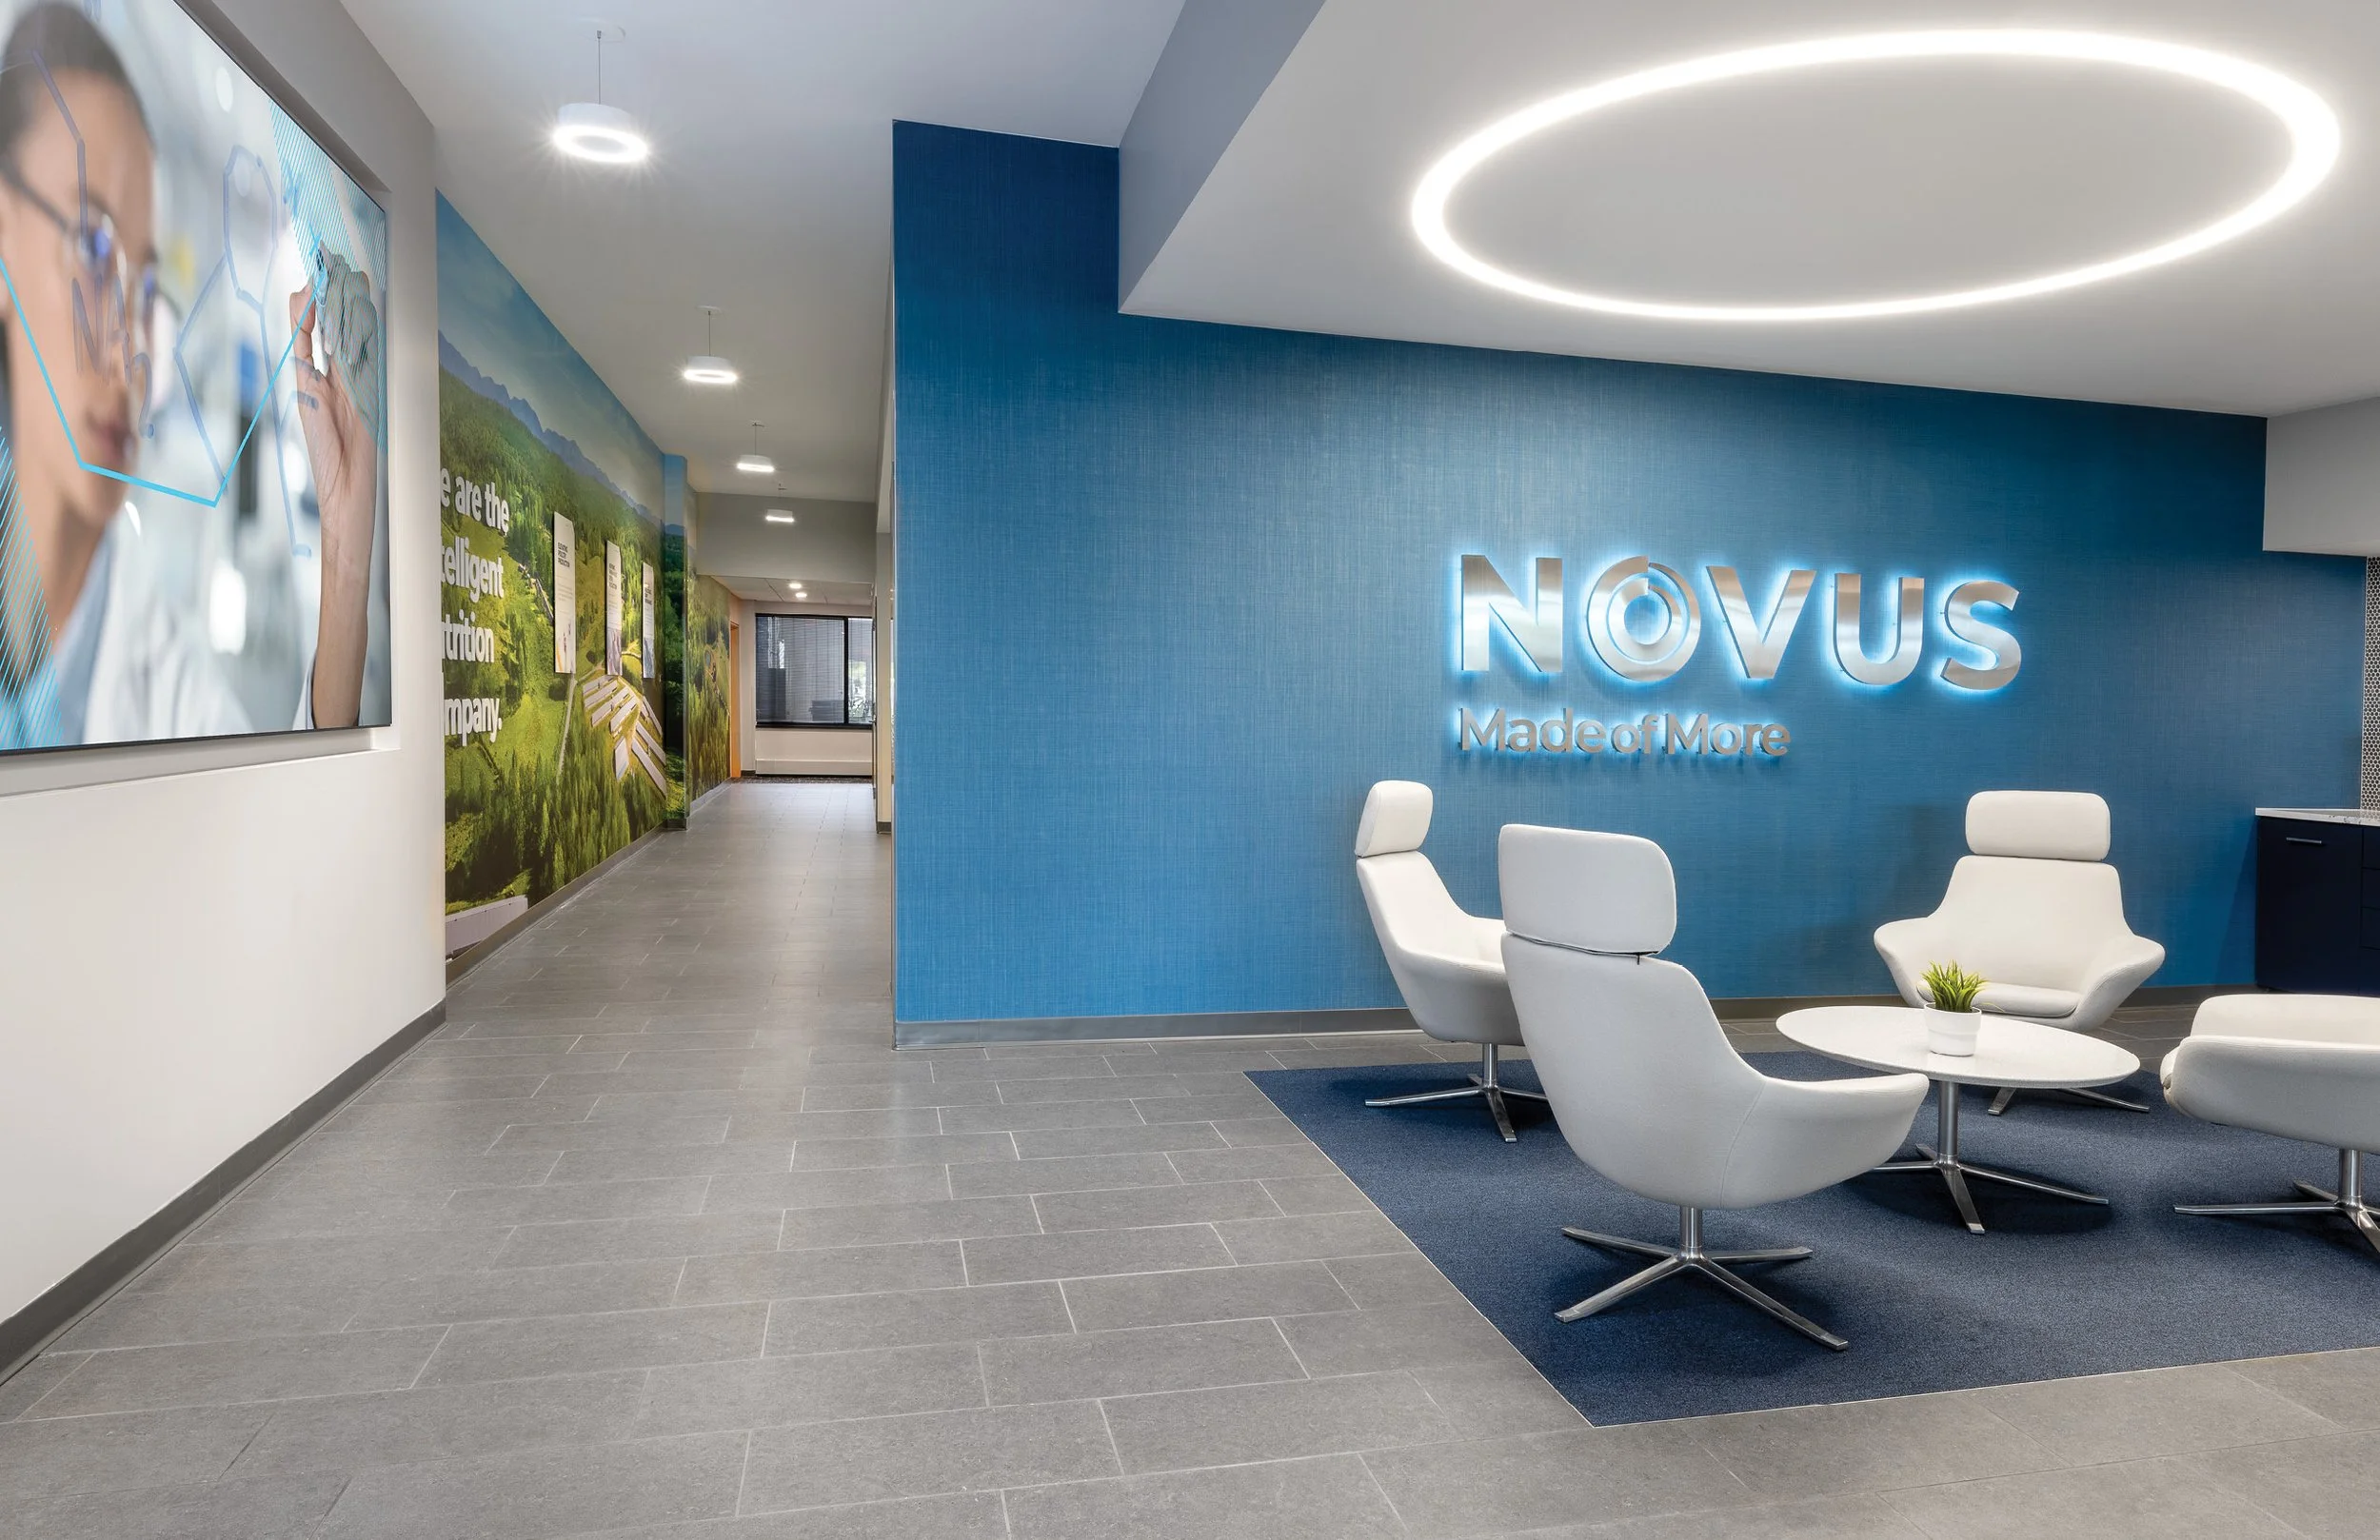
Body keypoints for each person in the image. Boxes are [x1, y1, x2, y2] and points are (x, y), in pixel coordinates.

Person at [0, 2, 374, 747]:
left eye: (147, 292)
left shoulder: (157, 666)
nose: (130, 353)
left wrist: (345, 556)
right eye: (94, 250)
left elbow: (283, 823)